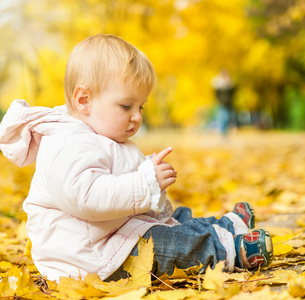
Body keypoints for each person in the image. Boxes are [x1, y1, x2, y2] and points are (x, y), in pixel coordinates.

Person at [0, 34, 273, 282]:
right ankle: (230, 251)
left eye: (140, 106)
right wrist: (145, 183)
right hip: (90, 257)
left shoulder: (98, 135)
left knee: (175, 220)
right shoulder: (67, 143)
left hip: (112, 233)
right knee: (165, 243)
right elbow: (87, 197)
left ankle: (226, 226)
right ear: (84, 100)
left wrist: (147, 173)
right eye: (126, 105)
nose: (137, 116)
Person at [211, 69, 237, 135]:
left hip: (228, 103)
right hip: (221, 103)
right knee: (223, 117)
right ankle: (223, 133)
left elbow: (232, 92)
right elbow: (216, 93)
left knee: (228, 118)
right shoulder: (218, 84)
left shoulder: (230, 83)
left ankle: (224, 132)